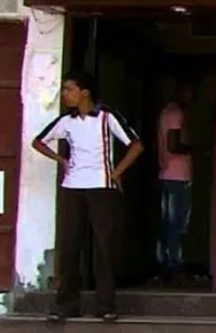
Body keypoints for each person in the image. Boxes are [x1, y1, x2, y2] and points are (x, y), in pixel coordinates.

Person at [32, 71, 144, 323]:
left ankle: (105, 305)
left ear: (85, 93)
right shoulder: (66, 121)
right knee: (69, 246)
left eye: (69, 89)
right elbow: (38, 142)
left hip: (101, 187)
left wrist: (116, 172)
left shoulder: (107, 117)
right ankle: (67, 304)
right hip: (72, 187)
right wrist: (61, 160)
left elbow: (136, 145)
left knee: (104, 246)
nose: (65, 94)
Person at [156, 81, 195, 284]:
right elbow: (173, 144)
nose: (192, 97)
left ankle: (166, 265)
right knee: (176, 224)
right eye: (190, 91)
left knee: (169, 223)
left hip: (169, 175)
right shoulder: (175, 114)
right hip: (176, 176)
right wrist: (195, 149)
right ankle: (173, 267)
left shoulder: (167, 112)